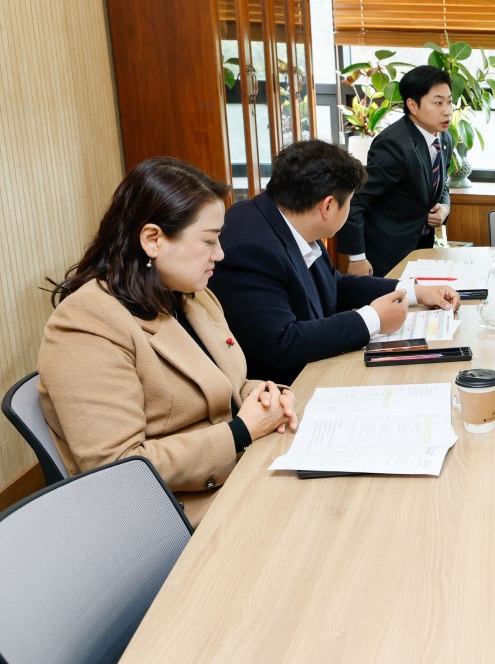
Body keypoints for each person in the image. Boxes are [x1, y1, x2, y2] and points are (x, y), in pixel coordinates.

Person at [38, 158, 298, 525]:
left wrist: (269, 396)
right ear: (153, 240)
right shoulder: (87, 323)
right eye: (208, 240)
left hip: (237, 473)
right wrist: (240, 432)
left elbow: (228, 385)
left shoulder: (191, 296)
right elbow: (116, 469)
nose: (220, 253)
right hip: (172, 513)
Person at [210, 139, 460, 385]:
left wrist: (415, 291)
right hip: (286, 389)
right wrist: (373, 319)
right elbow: (283, 343)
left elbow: (335, 285)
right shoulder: (251, 249)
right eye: (349, 202)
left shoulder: (292, 219)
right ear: (327, 206)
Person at [338, 65, 454, 276]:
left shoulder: (444, 137)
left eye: (449, 101)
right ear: (413, 106)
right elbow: (356, 200)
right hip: (387, 255)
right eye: (438, 103)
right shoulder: (393, 144)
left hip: (421, 251)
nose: (447, 111)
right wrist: (357, 258)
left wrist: (444, 207)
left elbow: (442, 181)